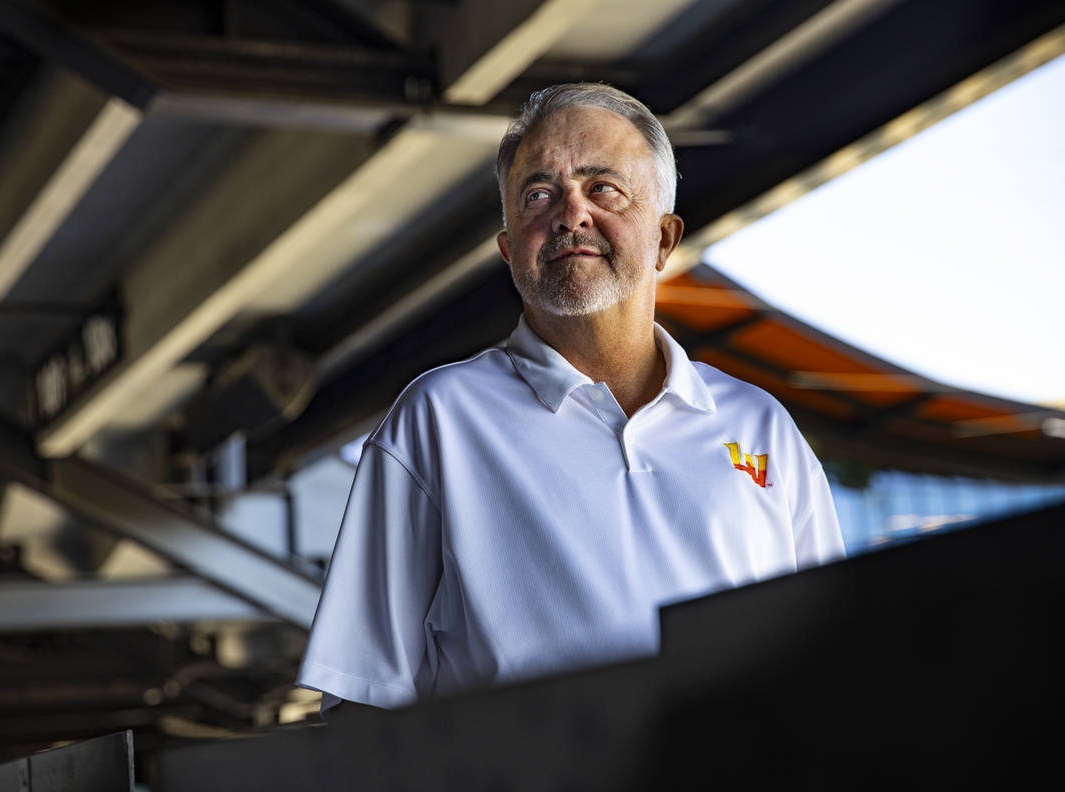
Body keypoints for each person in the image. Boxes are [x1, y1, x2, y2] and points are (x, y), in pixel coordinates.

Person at [297, 83, 844, 714]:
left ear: (664, 238)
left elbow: (828, 669)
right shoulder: (439, 420)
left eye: (603, 187)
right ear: (510, 253)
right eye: (538, 195)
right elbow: (364, 698)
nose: (570, 214)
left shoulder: (762, 428)